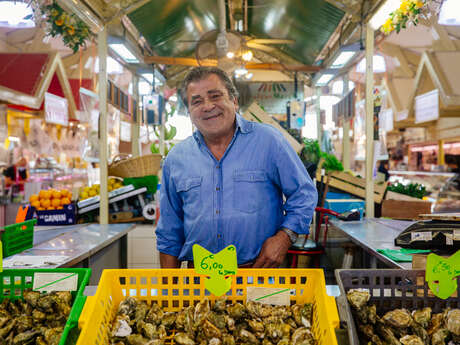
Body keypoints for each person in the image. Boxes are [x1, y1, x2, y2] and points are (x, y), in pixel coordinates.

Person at [156, 67, 317, 268]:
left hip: (260, 275)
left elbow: (304, 193)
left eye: (215, 96)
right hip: (200, 281)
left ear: (234, 100)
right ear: (189, 111)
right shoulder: (176, 159)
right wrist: (169, 289)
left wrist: (285, 237)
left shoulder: (269, 141)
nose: (207, 106)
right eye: (196, 101)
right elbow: (169, 232)